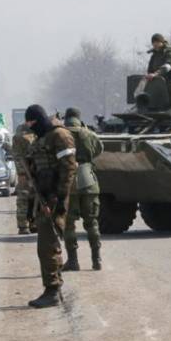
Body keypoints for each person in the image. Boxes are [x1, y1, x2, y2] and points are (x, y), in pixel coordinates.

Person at [23, 104, 77, 308]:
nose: (29, 127)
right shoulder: (42, 137)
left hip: (54, 198)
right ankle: (51, 288)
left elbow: (68, 168)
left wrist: (59, 197)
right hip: (43, 195)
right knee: (45, 245)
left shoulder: (59, 136)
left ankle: (53, 290)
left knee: (48, 245)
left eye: (31, 122)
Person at [62, 107, 104, 271]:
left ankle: (73, 261)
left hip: (68, 181)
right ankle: (96, 259)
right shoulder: (89, 134)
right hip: (88, 180)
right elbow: (99, 149)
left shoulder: (61, 134)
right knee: (92, 222)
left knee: (68, 224)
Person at [12, 120, 37, 234]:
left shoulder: (35, 133)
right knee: (26, 199)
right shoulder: (23, 136)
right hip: (28, 172)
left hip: (32, 172)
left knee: (31, 199)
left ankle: (30, 224)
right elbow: (18, 156)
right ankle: (26, 225)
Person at [146, 32, 171, 103]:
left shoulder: (170, 51)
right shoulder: (155, 55)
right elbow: (150, 70)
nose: (155, 44)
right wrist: (149, 76)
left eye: (157, 42)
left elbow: (169, 65)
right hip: (158, 85)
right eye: (153, 43)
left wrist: (156, 74)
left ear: (161, 42)